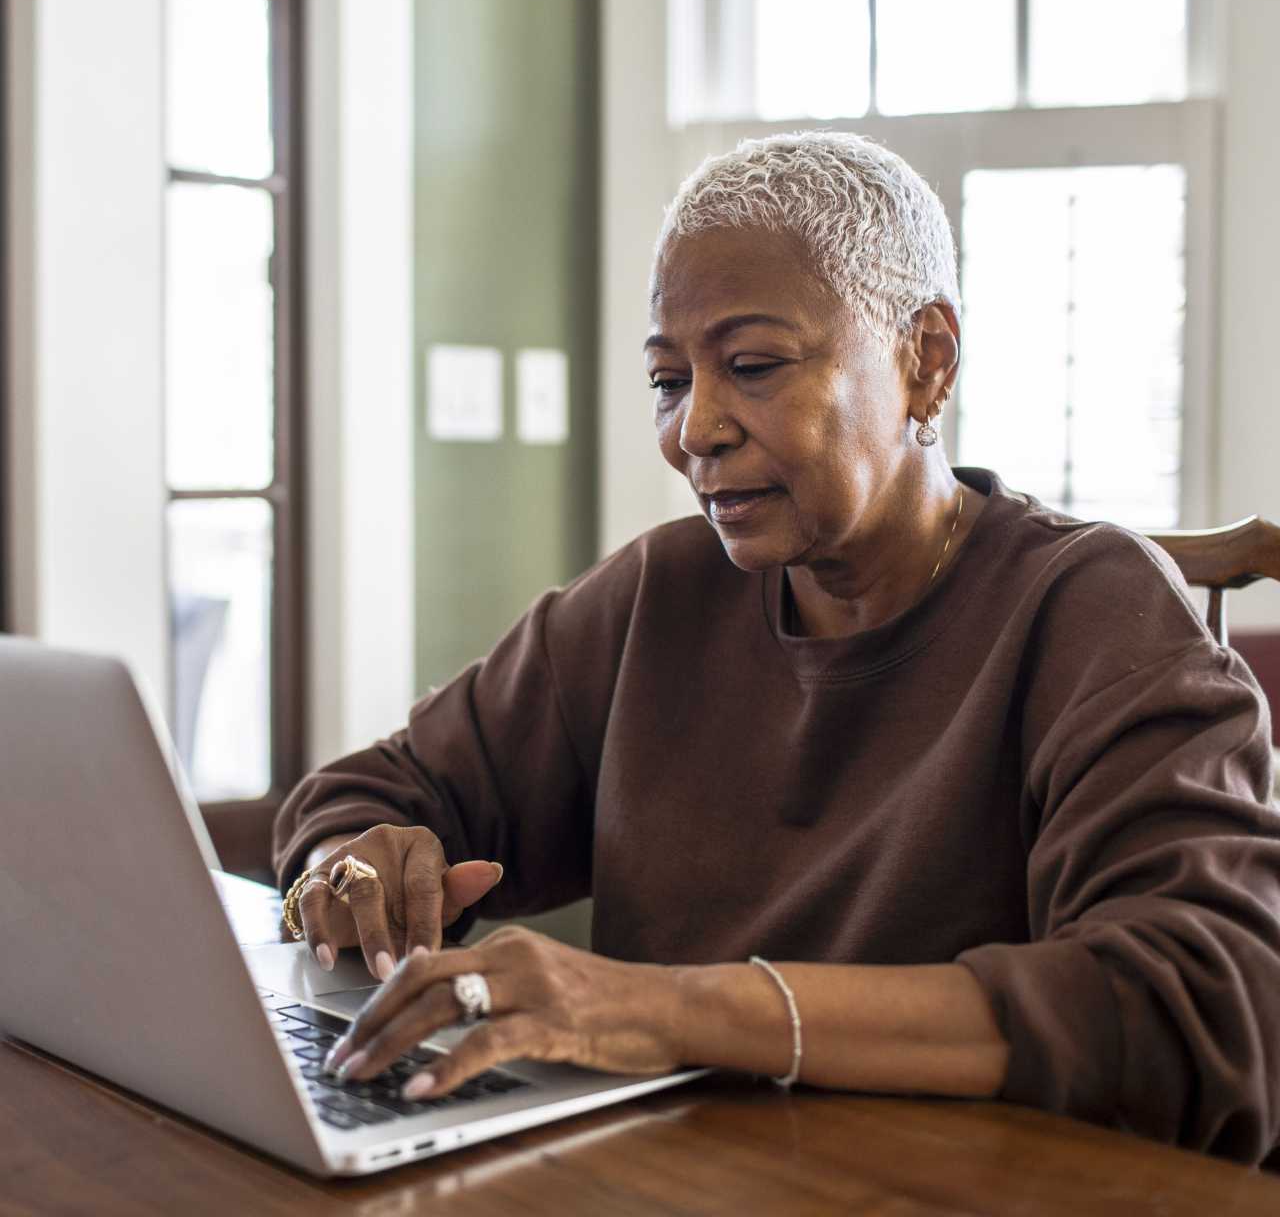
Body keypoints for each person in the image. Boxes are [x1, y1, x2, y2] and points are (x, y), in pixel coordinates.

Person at [273, 131, 1280, 1165]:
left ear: (923, 359)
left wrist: (670, 1008)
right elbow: (369, 790)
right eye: (668, 380)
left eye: (751, 365)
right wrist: (351, 860)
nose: (693, 428)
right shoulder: (661, 594)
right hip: (676, 1178)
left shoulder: (1089, 608)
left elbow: (1201, 1003)